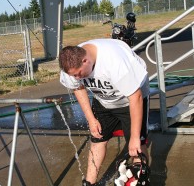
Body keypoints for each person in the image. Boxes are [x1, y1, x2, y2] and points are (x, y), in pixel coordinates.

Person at [58, 38, 150, 186]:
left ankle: (138, 180)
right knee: (97, 137)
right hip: (103, 99)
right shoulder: (72, 66)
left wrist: (134, 137)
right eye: (73, 75)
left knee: (136, 145)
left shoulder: (114, 61)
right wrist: (91, 119)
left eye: (79, 74)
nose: (77, 78)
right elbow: (78, 88)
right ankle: (89, 183)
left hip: (131, 98)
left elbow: (136, 97)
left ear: (85, 60)